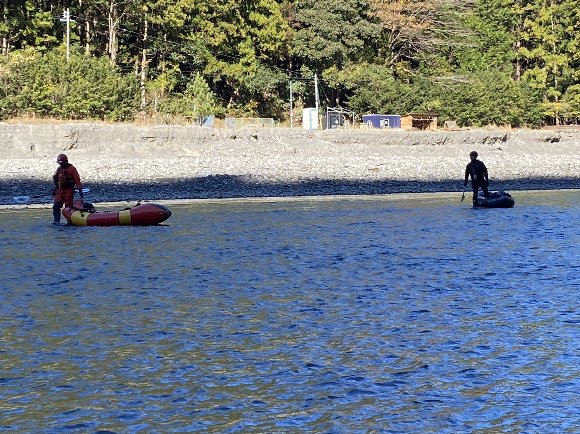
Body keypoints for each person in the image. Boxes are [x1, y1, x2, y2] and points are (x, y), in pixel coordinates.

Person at [52, 153, 83, 224]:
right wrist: (55, 190)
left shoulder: (72, 169)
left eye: (61, 163)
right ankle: (56, 222)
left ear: (65, 161)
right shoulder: (59, 169)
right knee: (56, 206)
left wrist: (80, 190)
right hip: (60, 191)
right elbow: (56, 180)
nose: (60, 164)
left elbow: (77, 180)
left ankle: (70, 222)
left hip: (69, 191)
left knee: (68, 208)